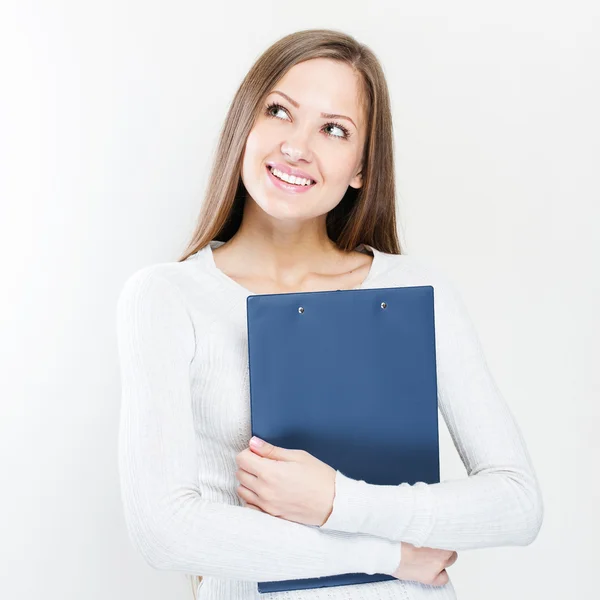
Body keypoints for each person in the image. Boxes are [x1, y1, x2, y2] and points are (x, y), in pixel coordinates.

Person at [116, 29, 543, 600]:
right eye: (279, 112)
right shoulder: (169, 297)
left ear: (362, 167)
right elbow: (163, 533)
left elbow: (516, 503)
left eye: (333, 129)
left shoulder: (415, 289)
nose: (298, 145)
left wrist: (338, 500)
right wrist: (388, 555)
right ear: (244, 123)